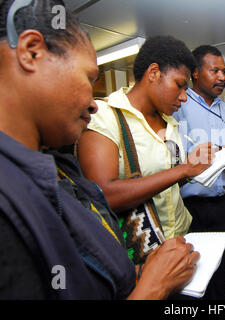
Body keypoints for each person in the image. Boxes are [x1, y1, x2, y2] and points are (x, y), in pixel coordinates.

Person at [0, 0, 199, 299]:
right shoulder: (10, 202)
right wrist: (153, 287)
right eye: (89, 78)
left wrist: (129, 274)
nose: (93, 103)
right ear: (31, 52)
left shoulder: (56, 168)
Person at [77, 36, 215, 241]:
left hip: (180, 236)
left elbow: (169, 181)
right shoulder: (106, 117)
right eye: (179, 85)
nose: (184, 97)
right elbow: (102, 195)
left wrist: (192, 167)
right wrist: (183, 169)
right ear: (153, 73)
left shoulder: (170, 123)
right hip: (140, 251)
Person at [173, 45, 225, 299]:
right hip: (191, 206)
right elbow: (171, 156)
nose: (222, 77)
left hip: (224, 203)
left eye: (223, 71)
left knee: (221, 267)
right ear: (196, 73)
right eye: (215, 71)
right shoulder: (178, 105)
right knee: (193, 270)